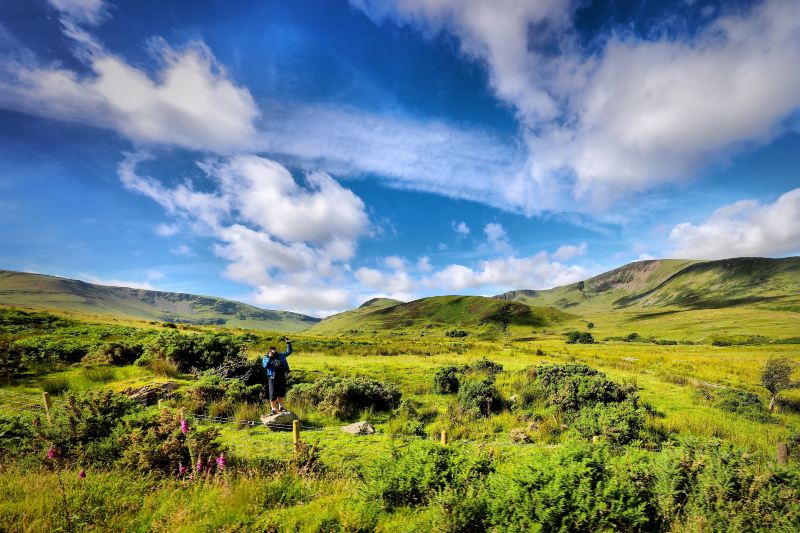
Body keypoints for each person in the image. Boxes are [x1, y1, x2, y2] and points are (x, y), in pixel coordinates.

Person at [263, 337, 292, 415]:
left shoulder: (281, 355)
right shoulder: (266, 357)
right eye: (272, 349)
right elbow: (265, 366)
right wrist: (270, 357)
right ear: (269, 350)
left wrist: (288, 343)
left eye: (275, 349)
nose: (274, 350)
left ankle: (281, 407)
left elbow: (289, 352)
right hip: (272, 378)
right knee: (272, 394)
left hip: (282, 377)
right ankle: (273, 409)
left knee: (281, 393)